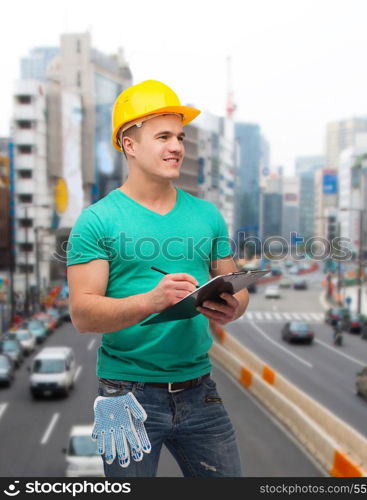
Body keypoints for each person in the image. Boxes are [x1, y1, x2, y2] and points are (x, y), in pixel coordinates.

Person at [66, 80, 249, 477]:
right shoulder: (97, 221)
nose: (177, 147)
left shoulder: (208, 215)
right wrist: (153, 300)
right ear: (129, 145)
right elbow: (82, 314)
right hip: (123, 394)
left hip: (200, 389)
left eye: (180, 136)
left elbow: (236, 284)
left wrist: (233, 305)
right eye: (163, 135)